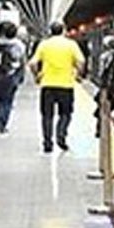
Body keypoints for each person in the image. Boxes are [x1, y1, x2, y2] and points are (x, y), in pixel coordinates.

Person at [29, 21, 85, 153]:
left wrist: (37, 76)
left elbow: (32, 63)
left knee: (47, 115)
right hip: (66, 85)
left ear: (50, 31)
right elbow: (81, 61)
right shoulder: (71, 44)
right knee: (65, 114)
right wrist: (78, 74)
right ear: (63, 30)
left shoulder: (44, 44)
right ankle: (61, 136)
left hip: (47, 85)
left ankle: (47, 143)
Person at [0, 22, 25, 133]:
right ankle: (3, 123)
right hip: (12, 75)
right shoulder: (19, 45)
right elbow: (22, 62)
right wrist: (21, 76)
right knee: (8, 101)